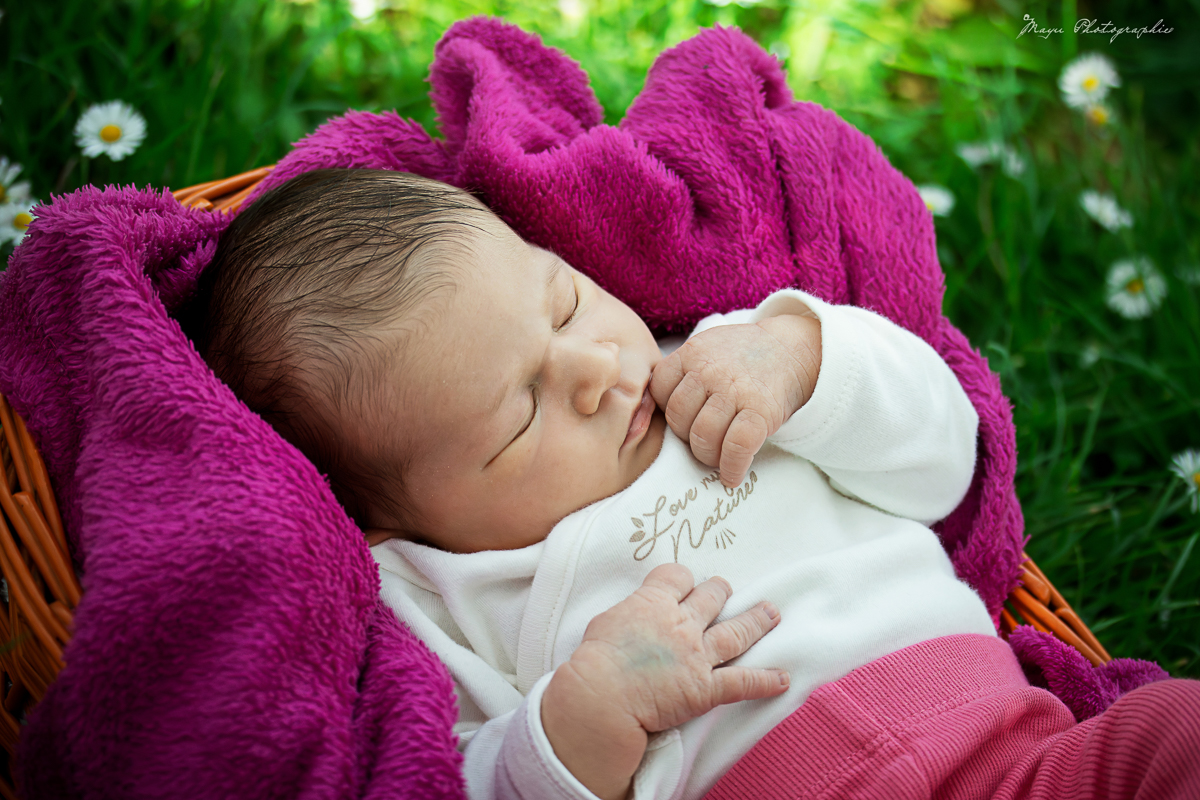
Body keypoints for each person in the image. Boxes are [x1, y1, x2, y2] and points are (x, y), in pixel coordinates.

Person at [190, 167, 1200, 800]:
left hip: (1017, 755)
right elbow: (452, 775)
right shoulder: (436, 590)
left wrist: (806, 359)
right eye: (518, 414)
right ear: (389, 515)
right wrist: (579, 719)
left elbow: (948, 462)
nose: (591, 367)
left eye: (565, 301)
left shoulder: (727, 362)